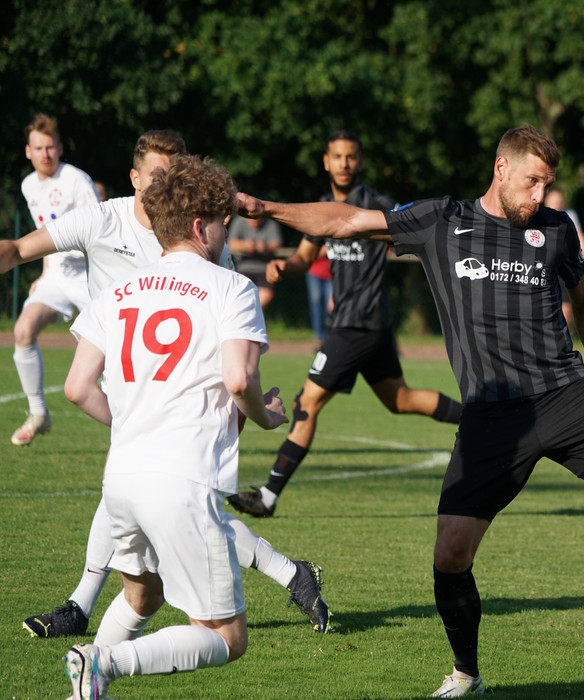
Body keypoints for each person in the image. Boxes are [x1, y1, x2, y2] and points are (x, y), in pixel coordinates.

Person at [238, 124, 584, 697]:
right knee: (450, 554)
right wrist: (266, 208)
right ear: (501, 170)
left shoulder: (556, 229)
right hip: (491, 414)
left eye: (547, 184)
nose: (540, 196)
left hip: (562, 389)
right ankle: (466, 674)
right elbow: (345, 220)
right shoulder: (442, 221)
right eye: (531, 182)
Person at [0, 130, 328, 638]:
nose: (168, 184)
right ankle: (289, 573)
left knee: (155, 496)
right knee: (166, 501)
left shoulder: (204, 244)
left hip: (186, 392)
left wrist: (245, 407)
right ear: (134, 178)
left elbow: (230, 347)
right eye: (157, 175)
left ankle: (82, 612)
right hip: (134, 391)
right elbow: (20, 248)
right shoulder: (102, 219)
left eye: (175, 175)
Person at [60, 154, 289, 699]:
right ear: (200, 226)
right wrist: (266, 415)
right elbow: (239, 379)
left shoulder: (118, 291)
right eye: (223, 223)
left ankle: (81, 692)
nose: (226, 234)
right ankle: (103, 663)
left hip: (121, 478)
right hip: (182, 481)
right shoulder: (231, 287)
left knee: (143, 596)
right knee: (228, 637)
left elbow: (77, 387)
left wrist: (132, 422)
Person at [227, 129, 462, 518]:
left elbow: (415, 231)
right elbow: (305, 257)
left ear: (360, 161)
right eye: (337, 156)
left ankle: (268, 496)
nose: (344, 164)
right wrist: (285, 266)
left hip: (357, 323)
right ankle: (475, 419)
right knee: (400, 400)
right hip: (369, 325)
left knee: (306, 402)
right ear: (326, 161)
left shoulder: (377, 205)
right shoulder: (321, 207)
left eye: (351, 156)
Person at [11, 113, 99, 445]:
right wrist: (45, 273)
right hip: (56, 276)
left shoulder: (76, 180)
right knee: (23, 330)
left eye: (50, 147)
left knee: (112, 348)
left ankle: (132, 422)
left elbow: (100, 229)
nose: (45, 154)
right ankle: (38, 414)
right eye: (38, 148)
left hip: (89, 276)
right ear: (28, 151)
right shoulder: (28, 185)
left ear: (60, 148)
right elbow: (45, 233)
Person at [544, 186, 584, 331]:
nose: (557, 204)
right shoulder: (537, 215)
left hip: (562, 262)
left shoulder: (568, 216)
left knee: (567, 304)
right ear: (547, 201)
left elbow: (579, 234)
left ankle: (561, 333)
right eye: (554, 201)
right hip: (544, 264)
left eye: (560, 201)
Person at [227, 215, 283, 308]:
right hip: (242, 268)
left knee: (267, 293)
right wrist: (245, 246)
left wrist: (265, 247)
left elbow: (277, 243)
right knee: (240, 295)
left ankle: (252, 310)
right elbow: (231, 243)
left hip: (264, 268)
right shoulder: (239, 221)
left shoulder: (270, 223)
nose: (255, 221)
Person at [305, 254, 333, 341]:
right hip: (314, 272)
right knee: (316, 302)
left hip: (331, 273)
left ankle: (329, 333)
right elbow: (308, 254)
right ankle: (319, 335)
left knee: (330, 306)